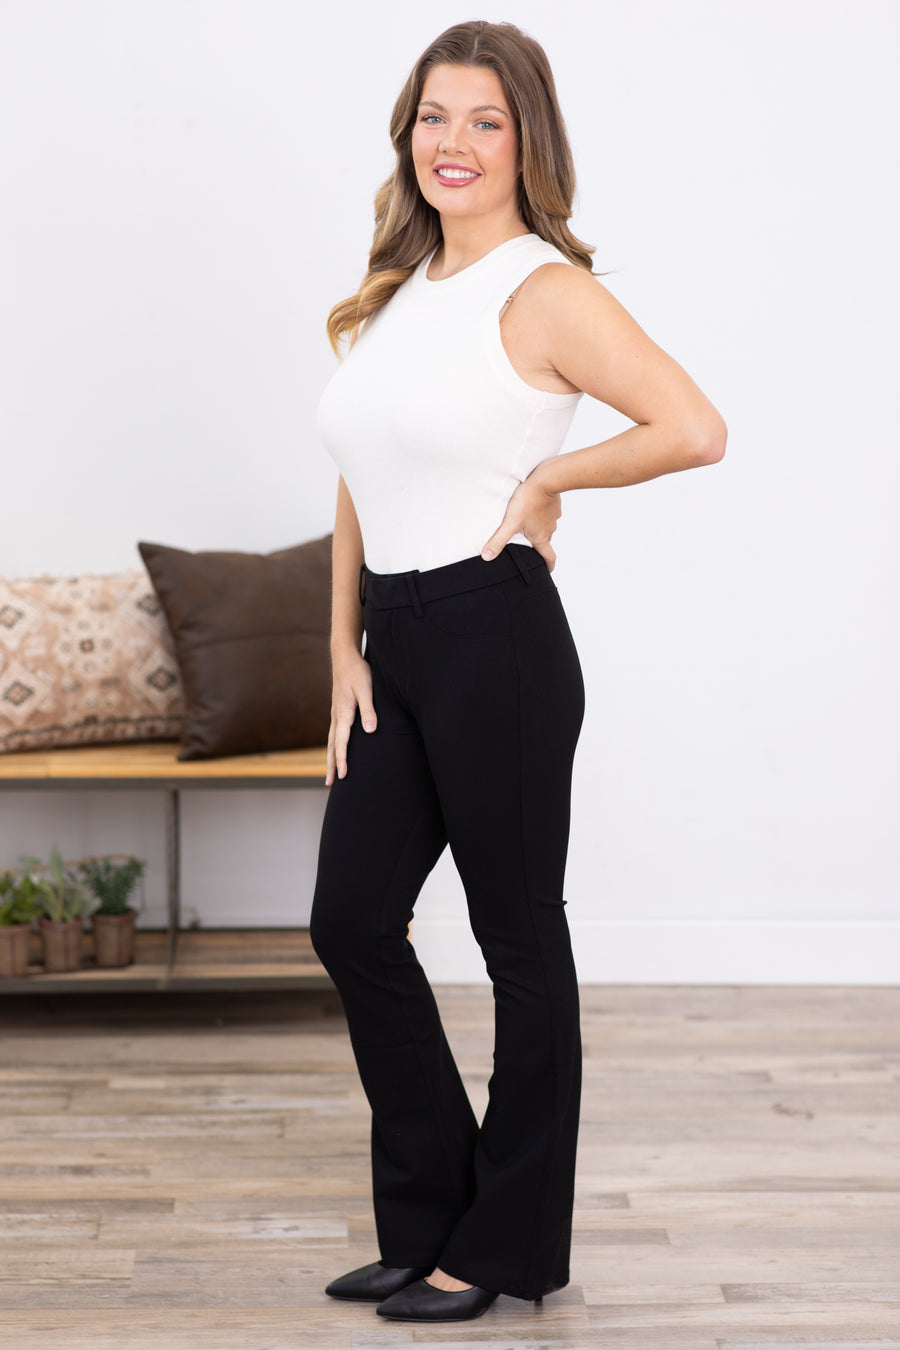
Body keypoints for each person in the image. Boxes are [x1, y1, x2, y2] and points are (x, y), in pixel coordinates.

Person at [310, 18, 726, 1326]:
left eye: (484, 121)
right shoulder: (401, 287)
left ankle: (506, 1245)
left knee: (518, 941)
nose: (455, 143)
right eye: (434, 117)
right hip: (394, 645)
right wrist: (340, 646)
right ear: (408, 134)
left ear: (525, 140)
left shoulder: (545, 291)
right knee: (351, 922)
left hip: (496, 637)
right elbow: (360, 471)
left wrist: (551, 476)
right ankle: (431, 1215)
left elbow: (693, 427)